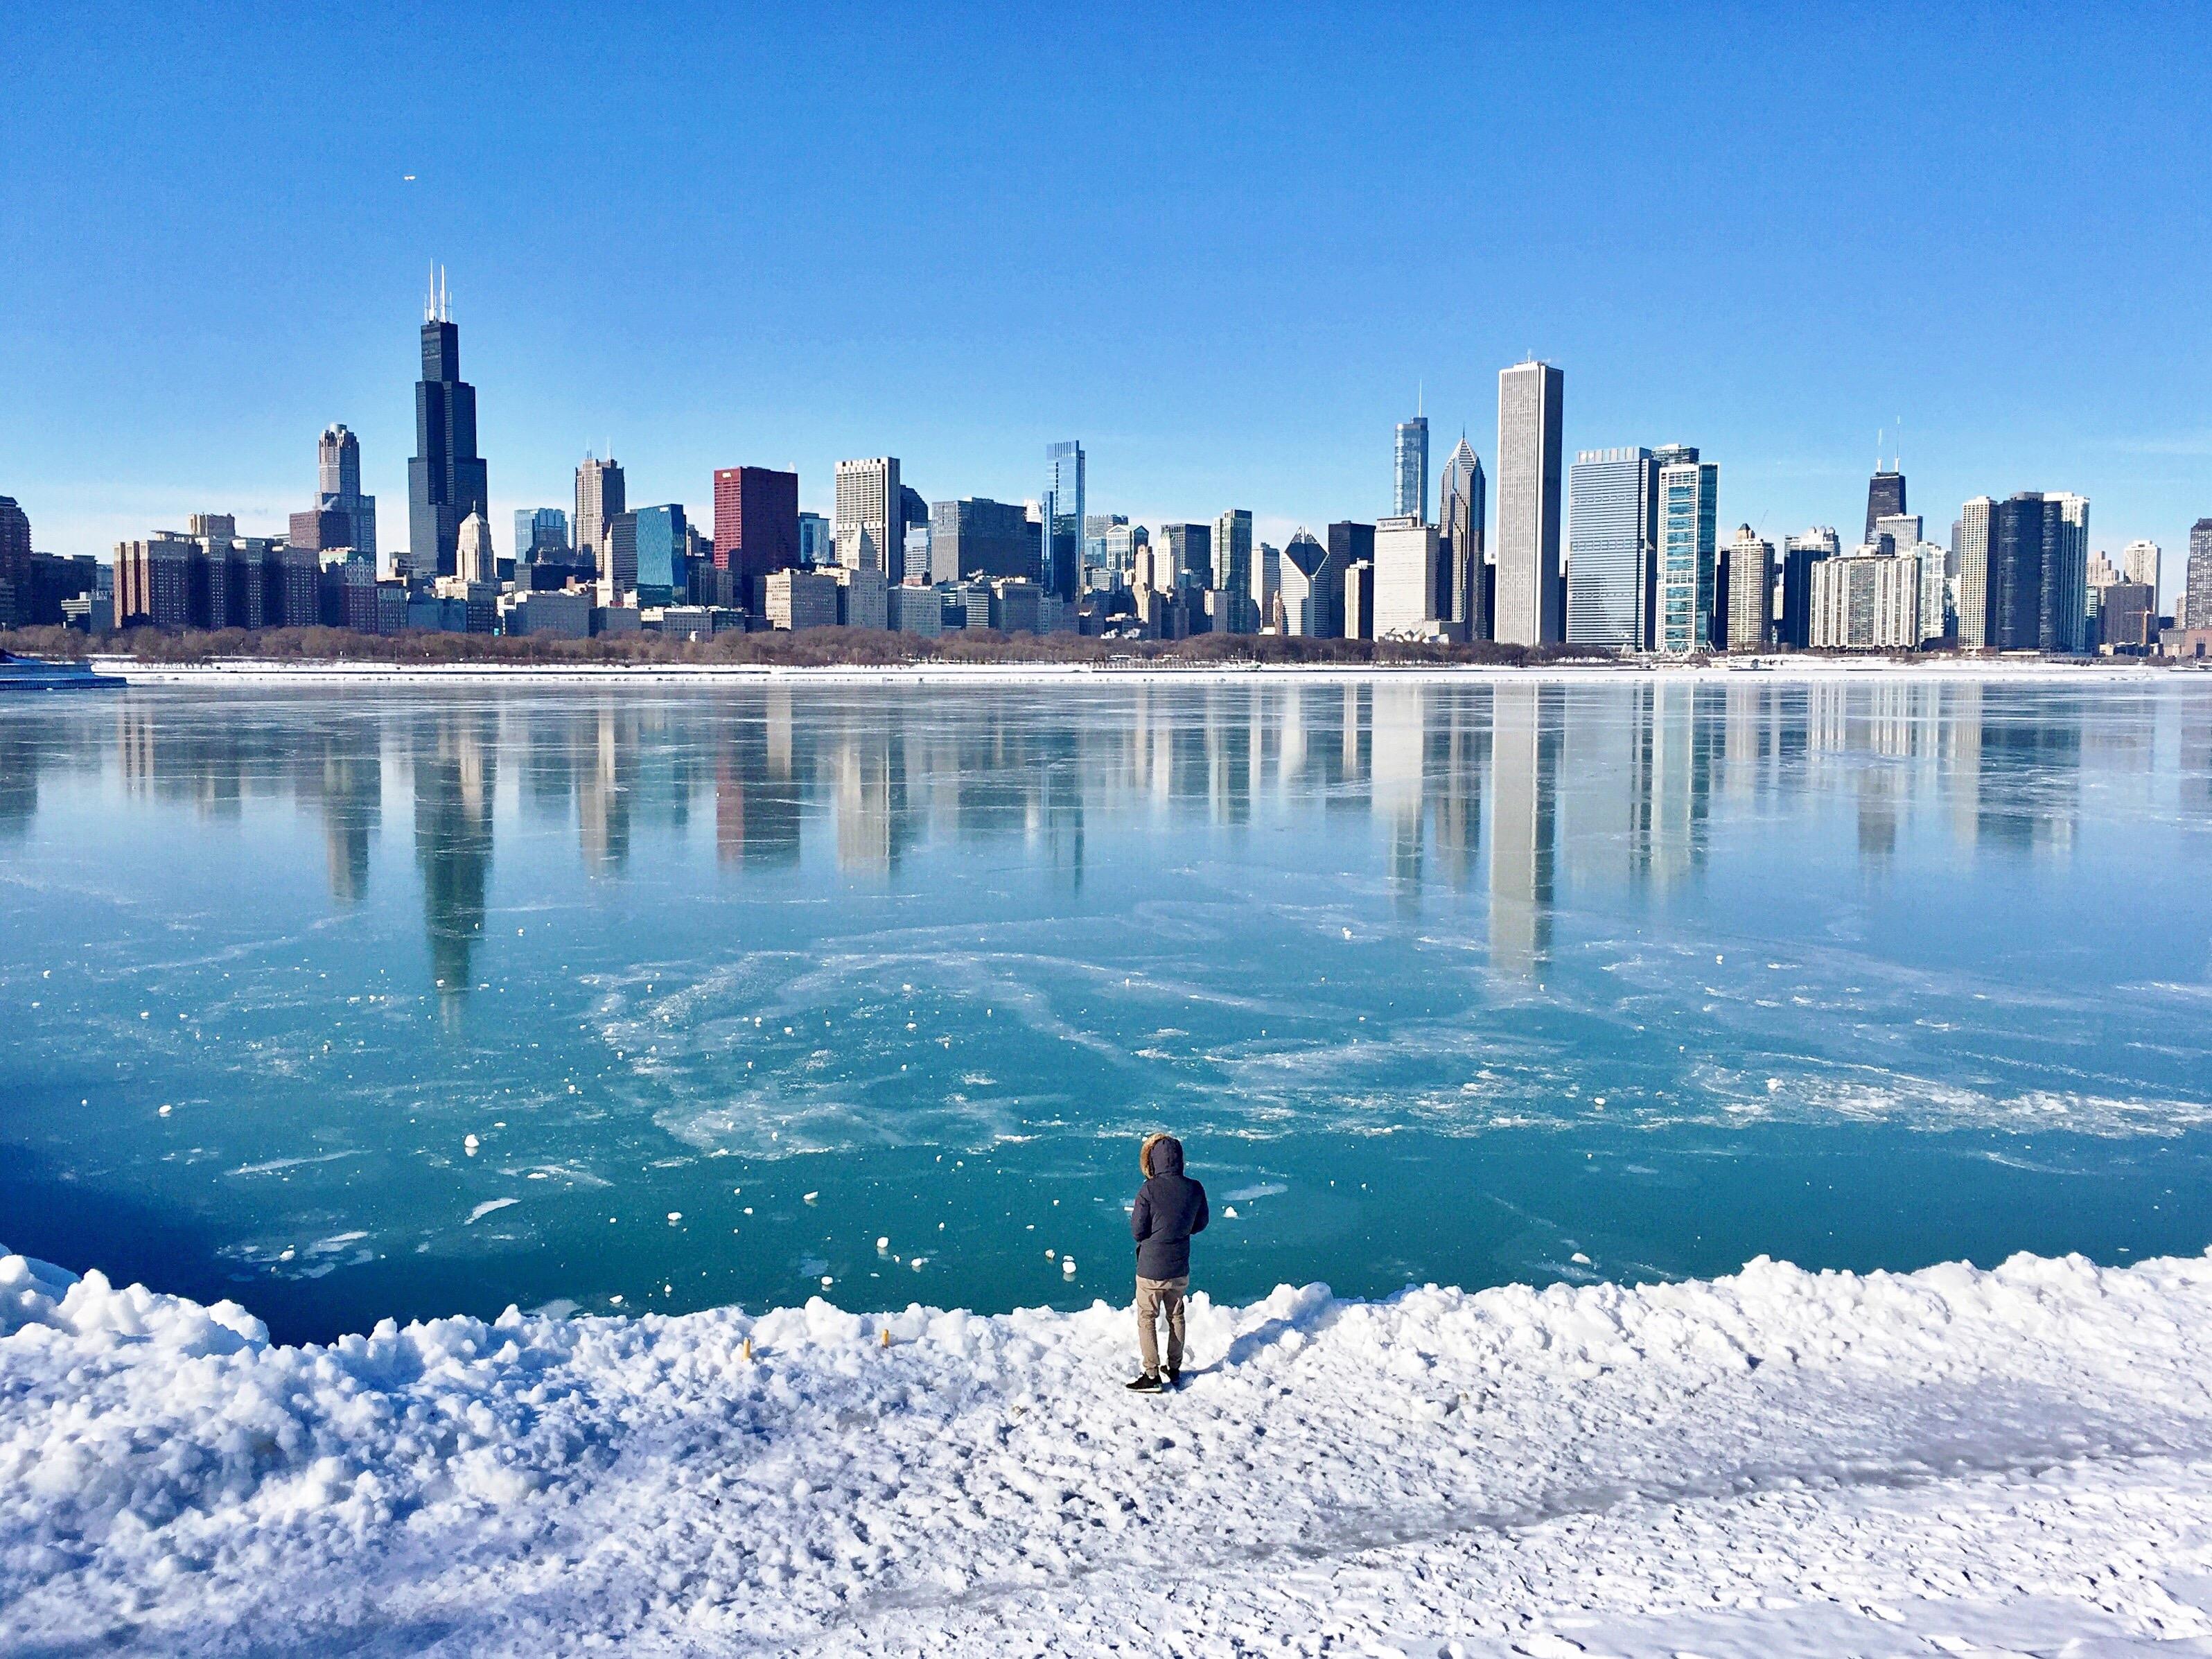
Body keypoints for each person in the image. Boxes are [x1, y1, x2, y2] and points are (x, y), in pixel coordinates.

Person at [1127, 1131, 1208, 1392]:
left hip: (1151, 1267)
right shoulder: (1195, 1188)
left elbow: (1138, 1231)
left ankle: (1151, 1375)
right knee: (1176, 1315)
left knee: (1147, 1317)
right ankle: (1174, 1368)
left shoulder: (1149, 1189)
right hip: (1179, 1265)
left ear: (1154, 1160)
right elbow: (1201, 1223)